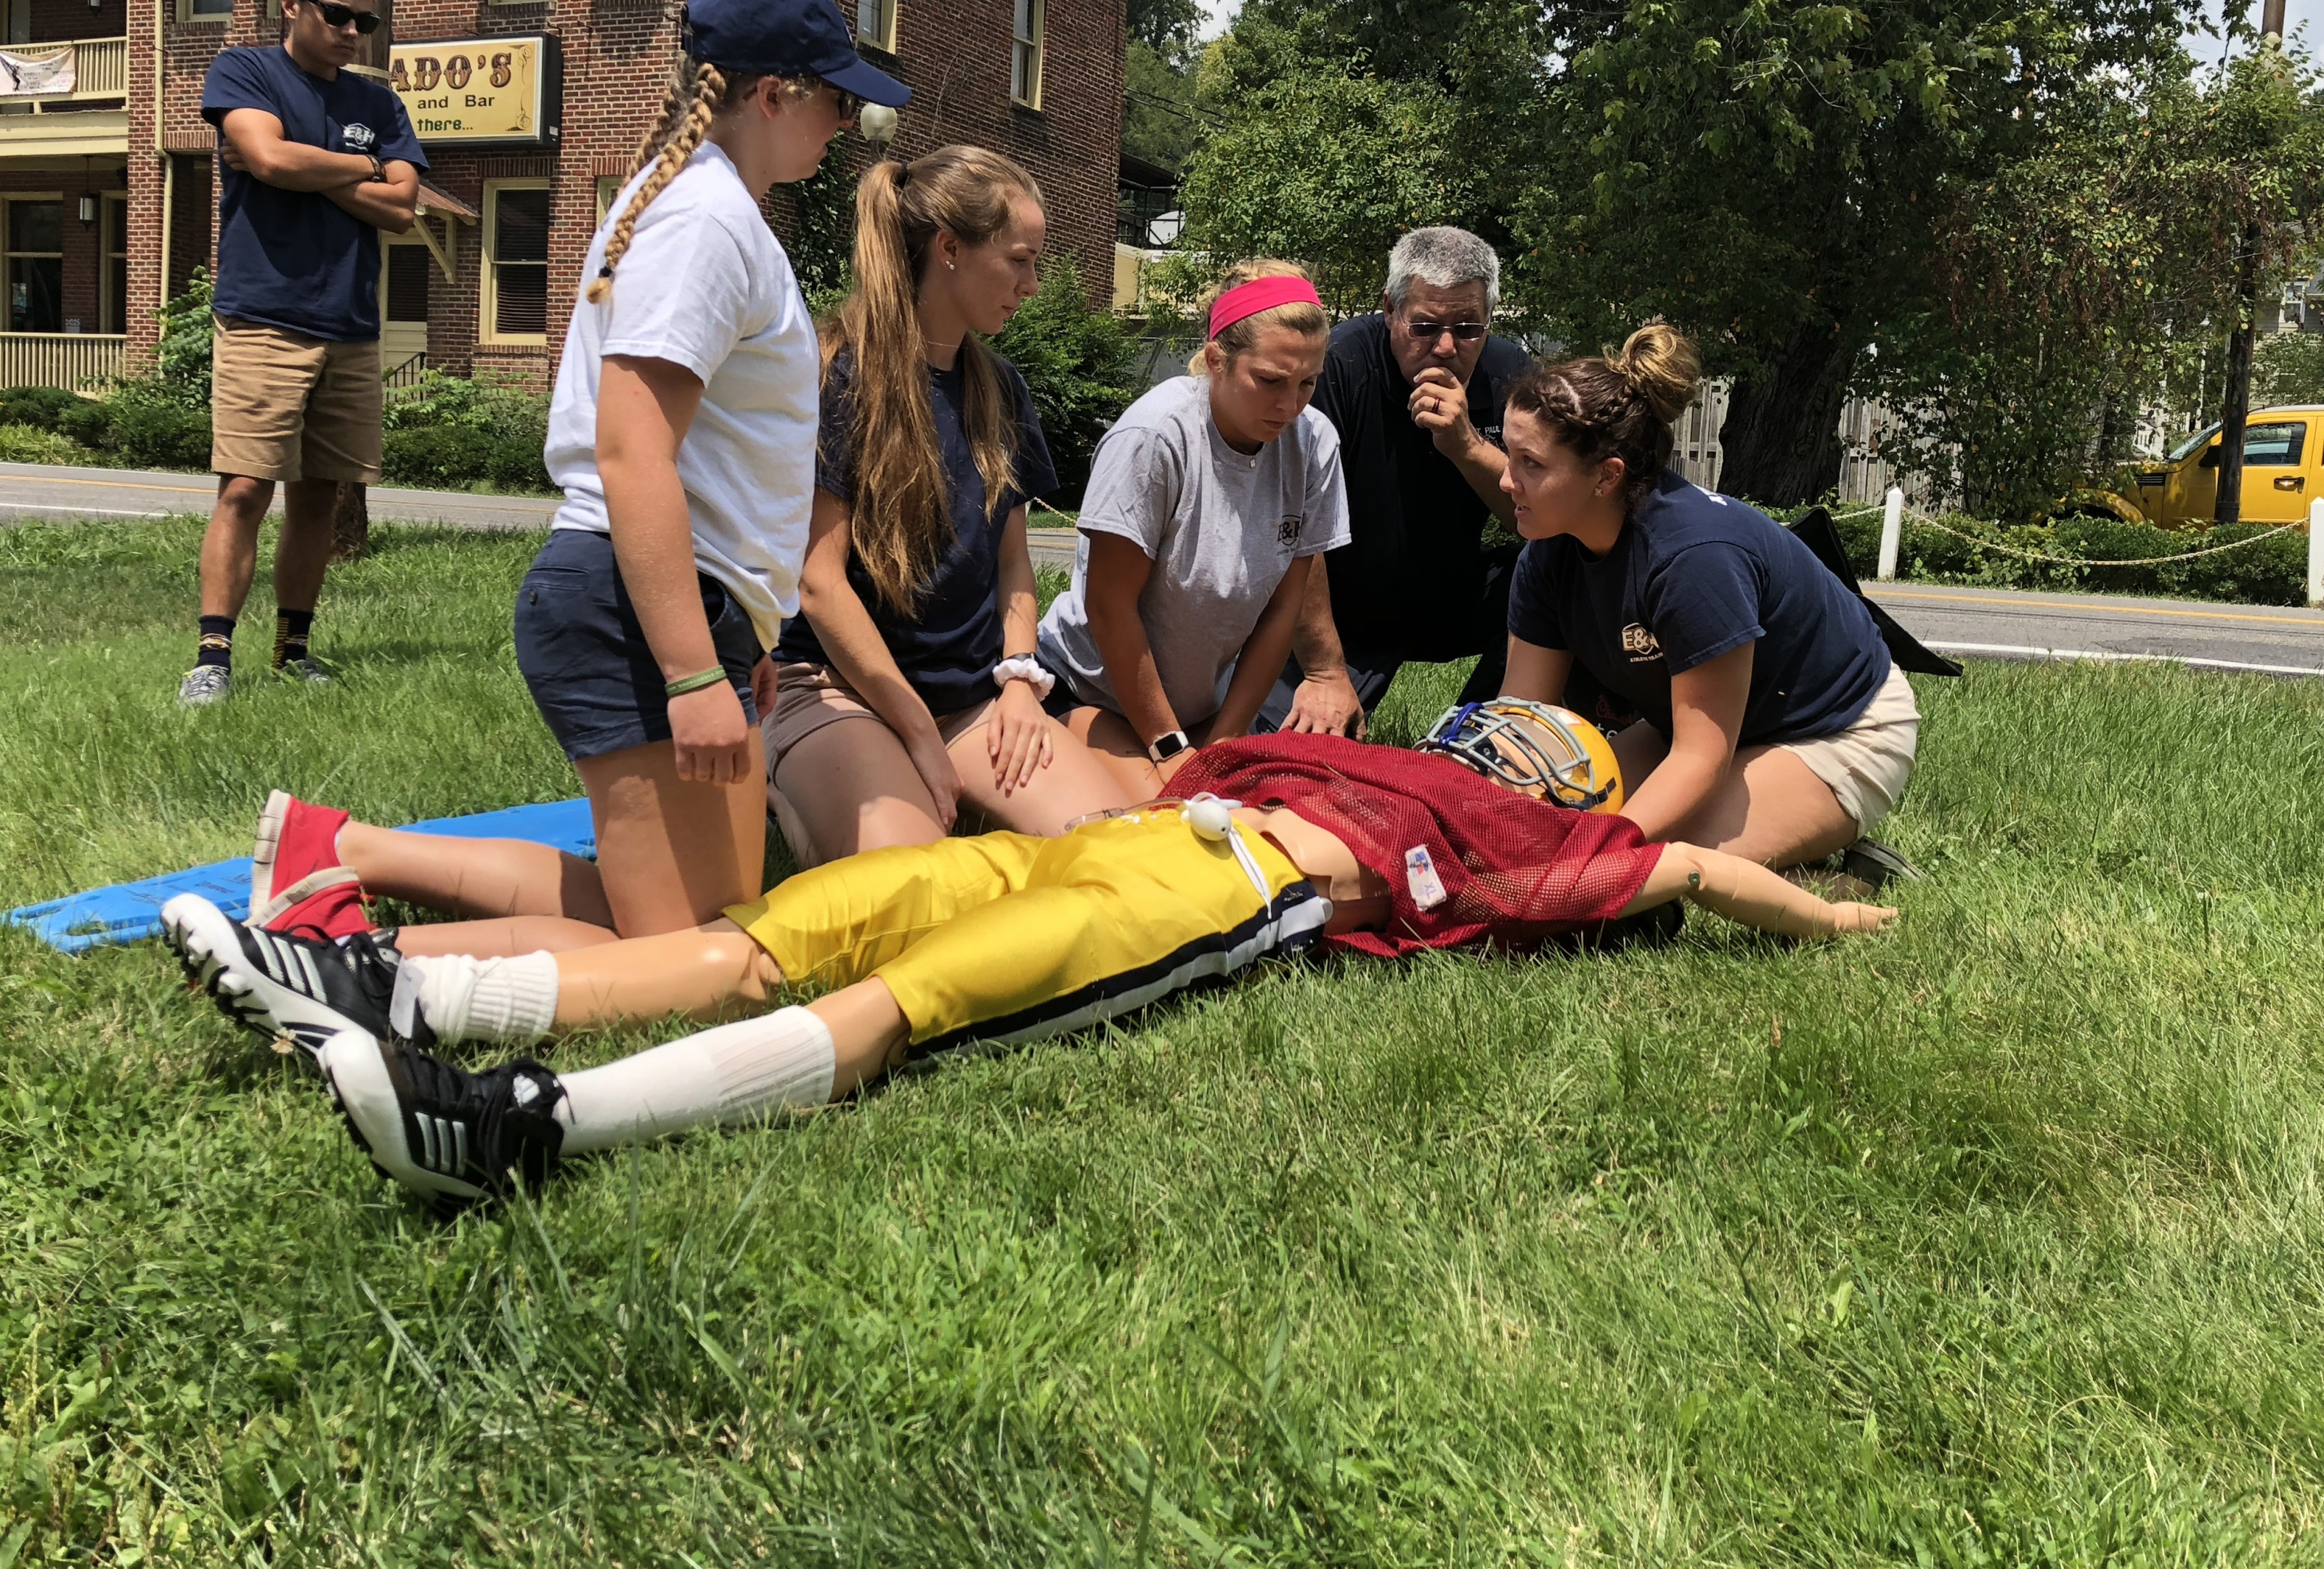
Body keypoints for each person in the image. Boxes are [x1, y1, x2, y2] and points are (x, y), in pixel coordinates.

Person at [158, 704, 1896, 1210]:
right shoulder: (1361, 746)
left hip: (1205, 898)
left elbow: (1685, 856)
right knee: (786, 924)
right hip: (1114, 841)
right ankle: (395, 989)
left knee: (911, 1001)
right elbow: (1153, 769)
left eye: (1537, 743)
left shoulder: (1529, 842)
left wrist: (1823, 910)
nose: (1506, 741)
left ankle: (526, 1127)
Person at [240, 0, 910, 953]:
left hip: (667, 605)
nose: (845, 129)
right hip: (633, 610)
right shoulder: (706, 218)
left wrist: (745, 644)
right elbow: (634, 452)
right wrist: (692, 675)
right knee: (698, 951)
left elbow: (713, 462)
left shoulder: (696, 202)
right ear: (776, 94)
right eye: (837, 105)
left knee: (695, 922)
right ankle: (330, 962)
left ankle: (339, 852)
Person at [763, 147, 1126, 867]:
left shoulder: (1000, 388)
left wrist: (1020, 683)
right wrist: (918, 736)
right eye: (1019, 260)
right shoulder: (838, 374)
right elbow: (816, 581)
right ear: (950, 249)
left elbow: (1014, 568)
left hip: (970, 699)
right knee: (913, 886)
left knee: (1121, 850)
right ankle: (785, 788)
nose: (1030, 284)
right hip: (833, 689)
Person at [1498, 323, 1920, 868]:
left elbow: (1701, 756)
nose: (1507, 481)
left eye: (1530, 463)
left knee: (1649, 868)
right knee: (1543, 830)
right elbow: (1524, 720)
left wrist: (1596, 852)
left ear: (1607, 477)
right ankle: (1786, 835)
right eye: (1508, 453)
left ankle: (1845, 865)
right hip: (1701, 730)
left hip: (1833, 729)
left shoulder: (1693, 559)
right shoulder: (1549, 548)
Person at [179, 0, 426, 706]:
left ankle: (293, 651)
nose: (354, 31)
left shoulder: (378, 103)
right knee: (246, 487)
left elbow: (403, 205)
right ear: (293, 4)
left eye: (366, 19)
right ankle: (213, 658)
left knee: (321, 493)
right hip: (264, 315)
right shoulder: (245, 71)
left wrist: (304, 164)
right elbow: (265, 158)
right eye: (338, 14)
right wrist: (358, 168)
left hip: (350, 322)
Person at [1037, 261, 1349, 800]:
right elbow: (1110, 607)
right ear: (1216, 362)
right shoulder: (1155, 437)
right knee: (1165, 826)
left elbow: (1282, 610)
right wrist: (1171, 748)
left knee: (1263, 814)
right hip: (1088, 690)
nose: (1290, 406)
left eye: (1307, 384)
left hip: (1204, 708)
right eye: (1270, 381)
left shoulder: (1314, 443)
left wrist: (1224, 742)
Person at [1256, 227, 1532, 738]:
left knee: (1565, 569)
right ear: (1390, 309)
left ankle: (1471, 740)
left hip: (1450, 594)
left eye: (1469, 328)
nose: (1447, 348)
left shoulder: (1510, 373)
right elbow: (1289, 526)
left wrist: (1468, 448)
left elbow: (1544, 513)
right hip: (1342, 609)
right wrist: (1326, 671)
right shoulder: (1338, 368)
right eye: (1425, 326)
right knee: (1277, 756)